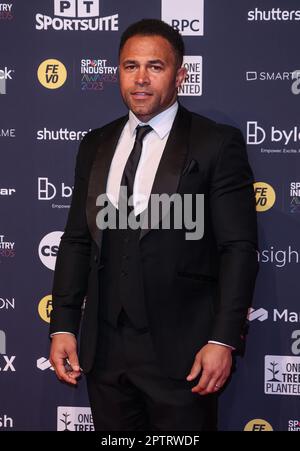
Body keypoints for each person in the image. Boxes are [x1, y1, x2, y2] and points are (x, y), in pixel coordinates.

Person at [49, 18, 258, 431]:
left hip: (184, 353)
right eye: (130, 66)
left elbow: (238, 248)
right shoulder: (96, 143)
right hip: (104, 350)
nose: (141, 79)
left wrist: (222, 339)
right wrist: (63, 324)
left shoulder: (214, 142)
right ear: (118, 73)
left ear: (180, 74)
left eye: (155, 67)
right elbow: (76, 240)